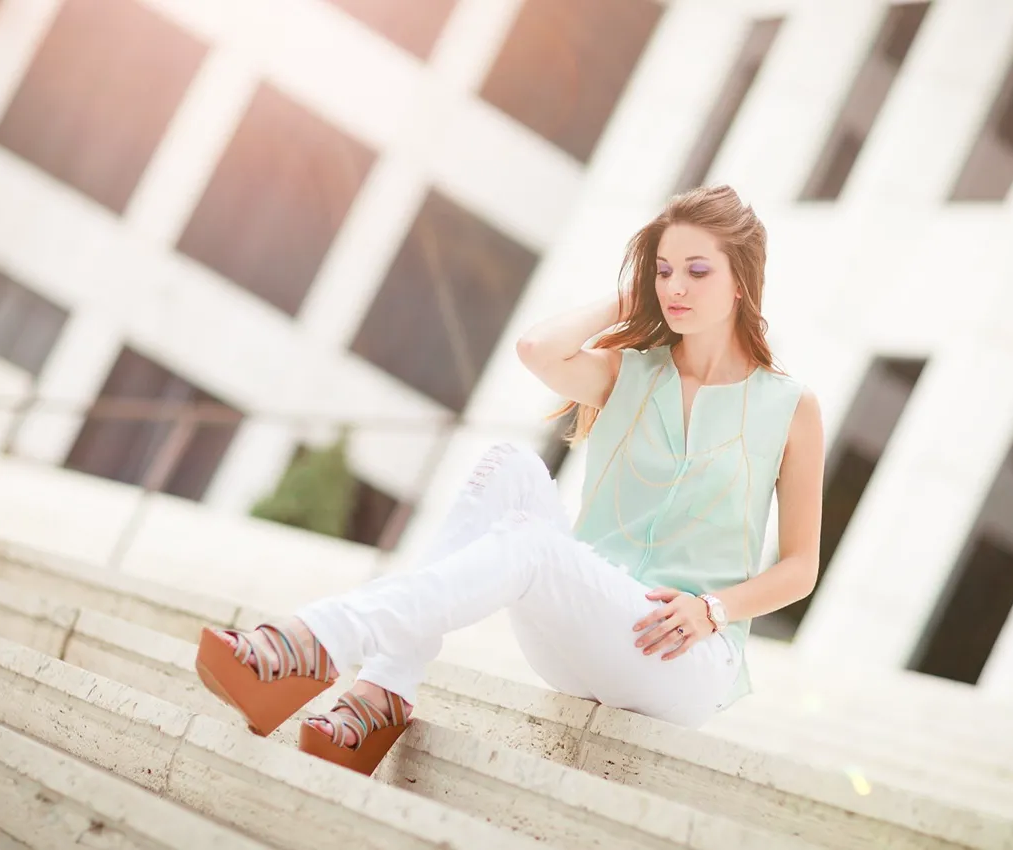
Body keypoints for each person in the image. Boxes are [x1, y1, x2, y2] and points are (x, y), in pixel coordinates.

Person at [194, 185, 825, 776]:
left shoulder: (790, 408)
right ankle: (385, 684)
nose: (675, 287)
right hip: (585, 629)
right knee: (510, 464)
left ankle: (318, 643)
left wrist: (714, 609)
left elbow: (801, 567)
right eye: (662, 270)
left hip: (682, 658)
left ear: (740, 282)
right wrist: (629, 299)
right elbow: (536, 350)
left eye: (697, 270)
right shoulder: (628, 373)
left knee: (530, 540)